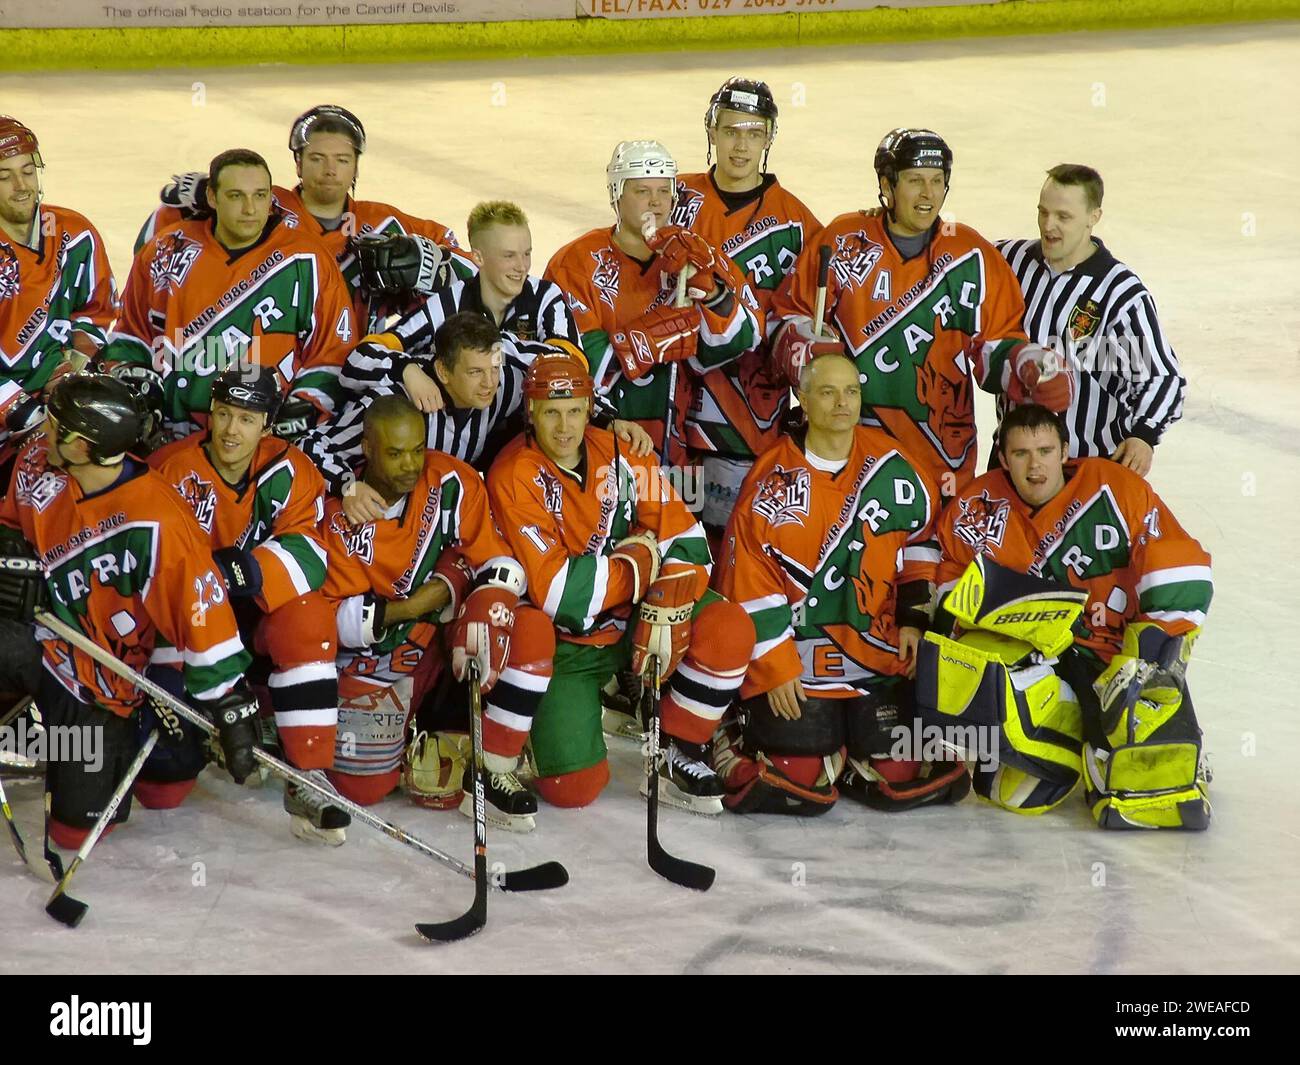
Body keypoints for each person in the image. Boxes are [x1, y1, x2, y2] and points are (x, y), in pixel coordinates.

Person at [919, 403, 1213, 829]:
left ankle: (1134, 705)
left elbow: (1182, 566)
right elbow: (949, 594)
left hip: (1116, 656)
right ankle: (1068, 730)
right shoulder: (976, 508)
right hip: (1040, 657)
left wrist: (1149, 654)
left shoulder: (1115, 487)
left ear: (1064, 451)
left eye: (1044, 450)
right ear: (1003, 458)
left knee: (1154, 791)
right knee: (1014, 792)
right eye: (1021, 454)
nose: (1034, 465)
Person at [486, 351, 755, 814]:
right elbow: (560, 595)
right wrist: (639, 561)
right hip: (568, 644)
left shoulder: (624, 452)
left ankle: (678, 750)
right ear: (531, 412)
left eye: (574, 411)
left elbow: (687, 540)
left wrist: (665, 594)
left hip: (629, 620)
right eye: (551, 412)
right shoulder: (513, 475)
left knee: (728, 627)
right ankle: (542, 728)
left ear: (591, 407)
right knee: (573, 789)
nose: (565, 426)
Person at [0, 373, 258, 850]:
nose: (43, 430)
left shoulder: (158, 520)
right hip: (34, 635)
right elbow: (10, 523)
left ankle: (117, 758)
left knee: (76, 833)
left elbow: (202, 610)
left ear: (84, 447)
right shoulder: (38, 460)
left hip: (99, 677)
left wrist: (228, 703)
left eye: (57, 426)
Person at [713, 355, 968, 815]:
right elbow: (748, 580)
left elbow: (923, 539)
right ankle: (730, 729)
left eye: (851, 391)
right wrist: (775, 665)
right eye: (828, 392)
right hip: (801, 659)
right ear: (804, 401)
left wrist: (912, 618)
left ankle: (850, 749)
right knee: (796, 774)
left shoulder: (895, 466)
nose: (842, 403)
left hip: (878, 654)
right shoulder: (771, 481)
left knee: (900, 771)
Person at [768, 127, 1074, 499]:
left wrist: (1030, 364)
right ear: (887, 184)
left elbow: (996, 344)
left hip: (939, 463)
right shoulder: (844, 239)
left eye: (938, 181)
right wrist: (806, 351)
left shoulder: (971, 255)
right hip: (846, 454)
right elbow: (786, 319)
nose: (929, 194)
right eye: (915, 180)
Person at [319, 394, 555, 832]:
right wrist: (423, 600)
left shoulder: (453, 481)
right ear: (367, 449)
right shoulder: (338, 514)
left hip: (441, 644)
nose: (411, 464)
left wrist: (475, 593)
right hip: (377, 656)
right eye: (395, 453)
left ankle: (491, 765)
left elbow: (498, 563)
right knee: (363, 790)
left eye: (417, 449)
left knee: (527, 627)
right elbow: (337, 622)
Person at [150, 366, 344, 844]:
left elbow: (311, 553)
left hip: (255, 609)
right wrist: (204, 580)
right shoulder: (170, 471)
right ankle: (203, 737)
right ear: (210, 416)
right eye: (224, 415)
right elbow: (151, 568)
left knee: (310, 620)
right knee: (162, 791)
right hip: (183, 621)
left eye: (246, 419)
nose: (232, 430)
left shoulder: (292, 469)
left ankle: (308, 775)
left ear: (267, 425)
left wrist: (241, 571)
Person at [135, 105, 475, 332]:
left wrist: (432, 264)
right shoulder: (265, 203)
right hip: (268, 355)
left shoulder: (385, 224)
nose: (329, 170)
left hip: (355, 367)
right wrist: (197, 203)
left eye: (342, 159)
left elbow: (468, 269)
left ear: (356, 165)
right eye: (316, 158)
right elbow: (158, 244)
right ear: (297, 163)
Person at [103, 148, 355, 444]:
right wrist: (131, 377)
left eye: (260, 196)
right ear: (212, 198)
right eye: (236, 196)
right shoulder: (167, 249)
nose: (250, 209)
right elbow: (131, 334)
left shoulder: (306, 259)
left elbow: (334, 352)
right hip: (168, 440)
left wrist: (303, 408)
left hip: (262, 443)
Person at [302, 311, 653, 524]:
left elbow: (562, 375)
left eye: (493, 368)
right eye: (474, 373)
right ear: (442, 370)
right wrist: (348, 486)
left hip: (452, 516)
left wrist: (608, 419)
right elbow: (311, 443)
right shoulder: (397, 404)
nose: (489, 384)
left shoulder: (507, 381)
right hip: (383, 520)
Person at [544, 139, 761, 466]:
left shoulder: (697, 254)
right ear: (616, 194)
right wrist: (657, 336)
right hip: (599, 442)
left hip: (678, 448)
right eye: (642, 191)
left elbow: (748, 336)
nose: (656, 203)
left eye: (664, 191)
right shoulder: (576, 262)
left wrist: (712, 292)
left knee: (680, 517)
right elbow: (574, 363)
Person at [672, 77, 822, 536]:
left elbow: (809, 320)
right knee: (674, 543)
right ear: (711, 132)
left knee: (733, 544)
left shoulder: (797, 223)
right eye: (731, 129)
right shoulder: (675, 199)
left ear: (768, 138)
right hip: (670, 412)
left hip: (749, 423)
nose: (741, 145)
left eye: (754, 132)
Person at [996, 164, 1185, 476]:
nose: (1048, 225)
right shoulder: (1011, 260)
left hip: (1085, 468)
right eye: (1043, 212)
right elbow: (958, 256)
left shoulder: (1120, 293)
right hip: (1014, 463)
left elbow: (1162, 377)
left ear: (1093, 218)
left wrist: (1143, 435)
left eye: (1063, 216)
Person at [0, 116, 118, 445]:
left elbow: (100, 310)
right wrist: (15, 406)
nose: (22, 186)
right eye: (4, 177)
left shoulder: (75, 232)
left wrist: (74, 367)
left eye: (27, 171)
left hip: (61, 399)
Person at [377, 200, 579, 349]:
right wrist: (409, 371)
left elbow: (572, 363)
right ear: (478, 257)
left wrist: (490, 354)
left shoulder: (545, 296)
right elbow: (375, 349)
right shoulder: (451, 302)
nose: (522, 266)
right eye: (509, 256)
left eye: (526, 253)